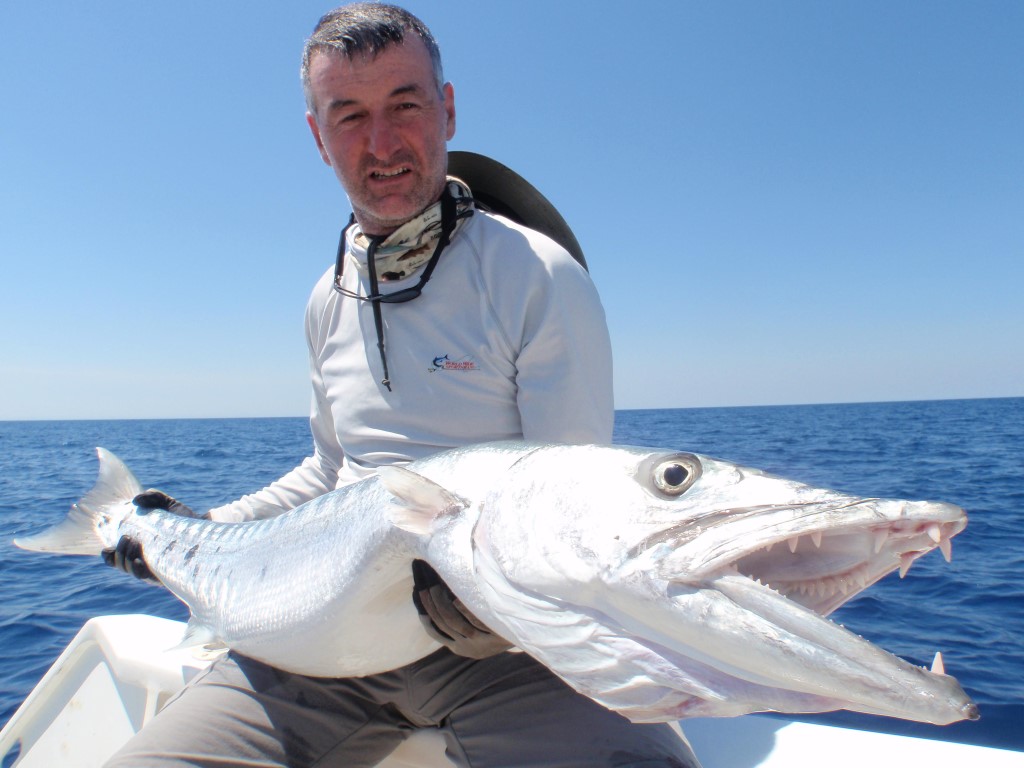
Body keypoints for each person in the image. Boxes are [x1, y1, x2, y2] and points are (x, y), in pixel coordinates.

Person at [104, 4, 701, 767]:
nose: (381, 144)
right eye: (349, 115)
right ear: (318, 138)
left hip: (512, 654)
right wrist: (200, 526)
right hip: (323, 644)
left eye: (405, 105)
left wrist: (487, 603)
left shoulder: (535, 276)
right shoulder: (327, 297)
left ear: (447, 111)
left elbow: (566, 505)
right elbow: (329, 470)